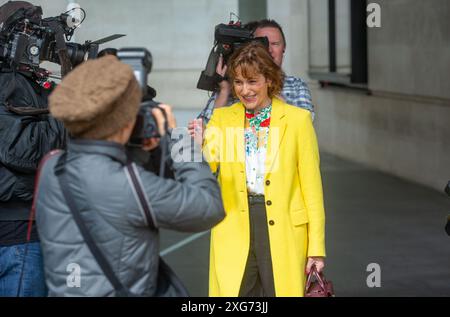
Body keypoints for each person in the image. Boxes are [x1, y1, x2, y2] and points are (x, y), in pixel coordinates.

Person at [35, 55, 225, 296]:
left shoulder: (51, 166)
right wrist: (178, 138)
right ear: (125, 121)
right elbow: (208, 206)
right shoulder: (127, 184)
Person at [190, 42, 326, 297]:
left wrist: (316, 248)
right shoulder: (222, 118)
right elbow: (208, 171)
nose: (245, 90)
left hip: (285, 228)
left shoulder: (298, 121)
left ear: (269, 80)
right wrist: (199, 148)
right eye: (239, 82)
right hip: (233, 224)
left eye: (252, 81)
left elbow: (312, 189)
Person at [0, 1, 67, 297]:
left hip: (26, 232)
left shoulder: (29, 84)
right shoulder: (9, 82)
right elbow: (20, 150)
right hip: (17, 239)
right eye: (32, 32)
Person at [198, 19, 314, 125]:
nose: (269, 50)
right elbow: (204, 132)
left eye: (275, 44)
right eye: (263, 43)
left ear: (284, 48)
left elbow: (304, 125)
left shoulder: (296, 85)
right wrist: (224, 90)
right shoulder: (231, 85)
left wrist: (267, 86)